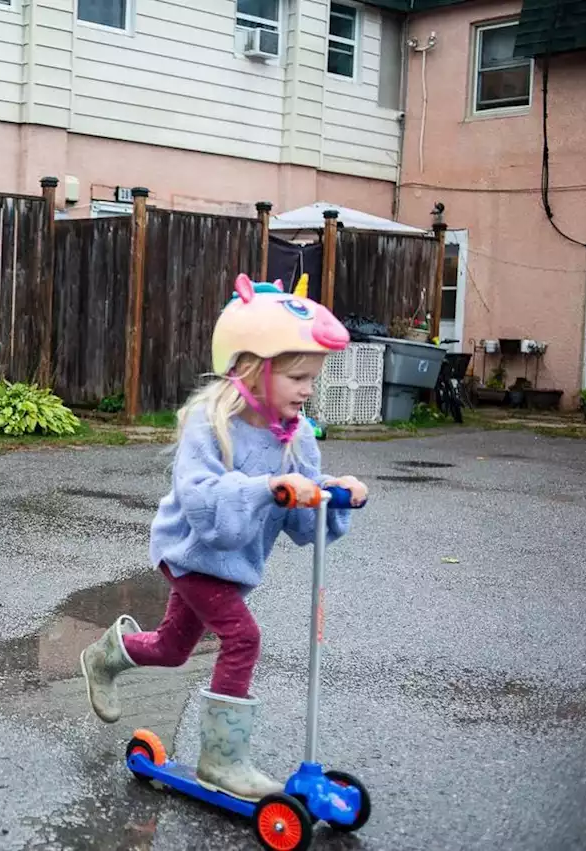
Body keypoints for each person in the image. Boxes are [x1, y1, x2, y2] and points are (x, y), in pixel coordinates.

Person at [78, 273, 369, 801]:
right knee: (244, 638)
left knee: (171, 649)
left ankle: (107, 655)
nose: (308, 389)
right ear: (253, 369)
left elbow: (303, 519)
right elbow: (201, 498)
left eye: (313, 378)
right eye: (298, 376)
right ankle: (222, 761)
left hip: (230, 566)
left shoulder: (297, 434)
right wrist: (268, 487)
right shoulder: (209, 423)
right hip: (190, 553)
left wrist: (331, 492)